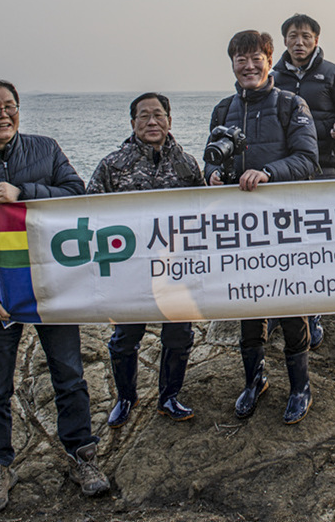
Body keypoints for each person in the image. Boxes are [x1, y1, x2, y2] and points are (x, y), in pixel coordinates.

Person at [0, 80, 108, 516]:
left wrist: (23, 193)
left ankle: (81, 455)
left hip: (52, 284)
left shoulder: (45, 150)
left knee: (69, 375)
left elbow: (76, 195)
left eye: (9, 105)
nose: (3, 114)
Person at [206, 30, 319, 423]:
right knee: (249, 306)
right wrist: (211, 174)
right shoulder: (223, 110)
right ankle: (254, 381)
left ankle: (300, 387)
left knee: (290, 307)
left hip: (284, 225)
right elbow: (210, 157)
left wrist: (268, 172)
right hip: (241, 229)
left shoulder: (291, 104)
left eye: (257, 58)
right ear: (233, 65)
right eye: (241, 59)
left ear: (270, 61)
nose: (249, 66)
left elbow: (307, 160)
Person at [87, 92, 205, 428]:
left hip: (175, 270)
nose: (152, 122)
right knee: (124, 339)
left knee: (179, 336)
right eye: (144, 116)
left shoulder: (186, 164)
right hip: (129, 271)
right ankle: (126, 397)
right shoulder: (112, 165)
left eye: (158, 115)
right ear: (133, 123)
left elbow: (202, 213)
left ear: (169, 120)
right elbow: (89, 211)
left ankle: (169, 397)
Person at [271, 13, 335, 349]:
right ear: (284, 40)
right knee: (282, 242)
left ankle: (312, 313)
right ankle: (280, 309)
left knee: (316, 244)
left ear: (316, 39)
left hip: (325, 166)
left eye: (306, 36)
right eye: (293, 36)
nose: (299, 42)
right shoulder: (272, 78)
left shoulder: (334, 75)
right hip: (283, 171)